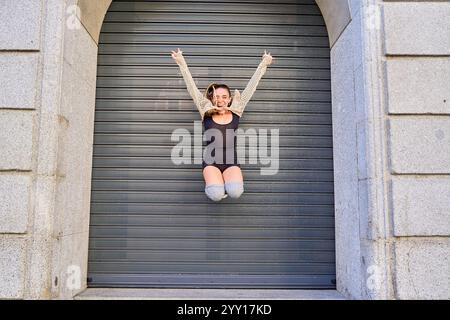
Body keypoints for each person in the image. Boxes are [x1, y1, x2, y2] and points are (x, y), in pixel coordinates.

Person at [171, 48, 273, 201]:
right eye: (217, 97)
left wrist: (263, 64)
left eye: (224, 97)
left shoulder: (237, 110)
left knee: (236, 192)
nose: (220, 100)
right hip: (211, 162)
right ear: (212, 99)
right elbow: (191, 88)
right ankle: (218, 186)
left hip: (231, 162)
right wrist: (181, 63)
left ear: (229, 99)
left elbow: (251, 88)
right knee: (216, 194)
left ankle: (226, 183)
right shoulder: (205, 110)